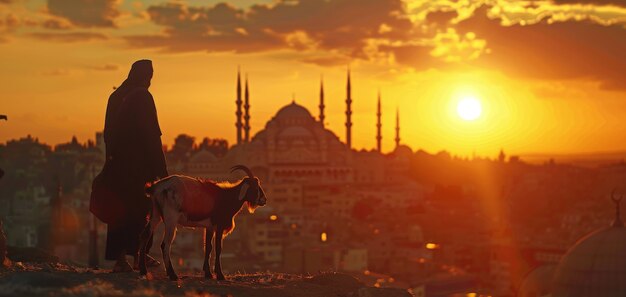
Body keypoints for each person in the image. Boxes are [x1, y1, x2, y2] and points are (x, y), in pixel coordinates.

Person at [103, 60, 168, 272]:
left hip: (116, 164)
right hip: (138, 168)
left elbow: (108, 134)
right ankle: (139, 255)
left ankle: (121, 259)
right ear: (145, 76)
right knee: (141, 211)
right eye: (149, 77)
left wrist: (111, 161)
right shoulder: (143, 97)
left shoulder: (116, 96)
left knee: (119, 211)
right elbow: (152, 136)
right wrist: (161, 170)